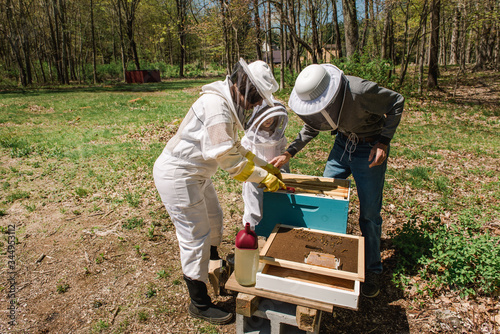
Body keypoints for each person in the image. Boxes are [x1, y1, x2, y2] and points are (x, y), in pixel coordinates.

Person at [153, 59, 286, 324]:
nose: (257, 103)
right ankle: (199, 303)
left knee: (215, 219)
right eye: (258, 96)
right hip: (180, 176)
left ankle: (212, 269)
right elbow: (229, 160)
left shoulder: (224, 103)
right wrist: (262, 178)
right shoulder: (216, 107)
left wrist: (264, 167)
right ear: (245, 86)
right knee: (196, 237)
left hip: (197, 174)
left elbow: (238, 148)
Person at [270, 64, 404, 298]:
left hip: (369, 148)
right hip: (342, 145)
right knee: (325, 199)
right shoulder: (318, 100)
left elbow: (396, 102)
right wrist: (289, 152)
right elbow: (312, 125)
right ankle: (323, 254)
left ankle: (372, 269)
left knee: (369, 214)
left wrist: (383, 141)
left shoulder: (360, 91)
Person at [241, 99, 289, 229]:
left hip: (274, 173)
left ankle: (272, 226)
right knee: (253, 202)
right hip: (255, 175)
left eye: (272, 116)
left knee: (274, 201)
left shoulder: (278, 135)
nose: (269, 120)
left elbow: (282, 152)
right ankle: (250, 229)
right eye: (265, 116)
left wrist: (284, 170)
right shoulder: (249, 138)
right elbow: (243, 155)